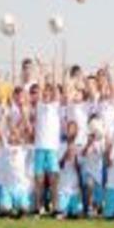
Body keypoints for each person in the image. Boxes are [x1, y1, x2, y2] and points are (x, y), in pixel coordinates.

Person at [32, 82, 63, 216]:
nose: (46, 94)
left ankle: (55, 208)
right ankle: (38, 208)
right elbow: (39, 86)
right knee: (39, 179)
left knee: (53, 179)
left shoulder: (56, 107)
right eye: (45, 91)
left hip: (52, 148)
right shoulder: (38, 106)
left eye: (49, 92)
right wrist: (41, 72)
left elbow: (57, 90)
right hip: (39, 147)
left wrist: (53, 74)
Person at [57, 121, 84, 219]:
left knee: (76, 214)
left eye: (73, 129)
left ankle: (74, 209)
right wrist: (65, 154)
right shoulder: (61, 146)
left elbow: (79, 168)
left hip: (74, 188)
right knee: (61, 213)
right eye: (69, 129)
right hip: (63, 187)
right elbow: (59, 165)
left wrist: (75, 157)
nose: (71, 132)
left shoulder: (79, 147)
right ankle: (63, 210)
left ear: (77, 132)